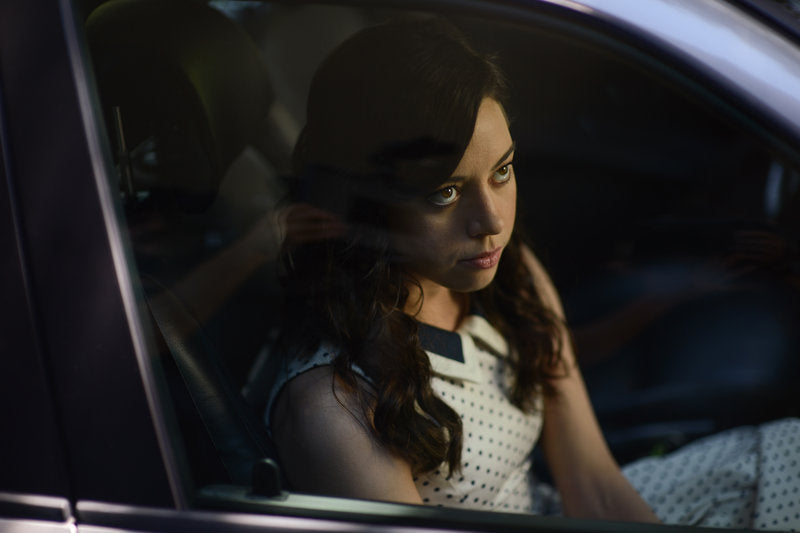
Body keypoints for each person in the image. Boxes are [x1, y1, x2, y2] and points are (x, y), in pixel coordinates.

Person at [263, 16, 800, 530]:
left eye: (502, 171)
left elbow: (591, 482)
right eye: (444, 193)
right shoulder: (335, 407)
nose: (493, 222)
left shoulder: (505, 270)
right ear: (366, 204)